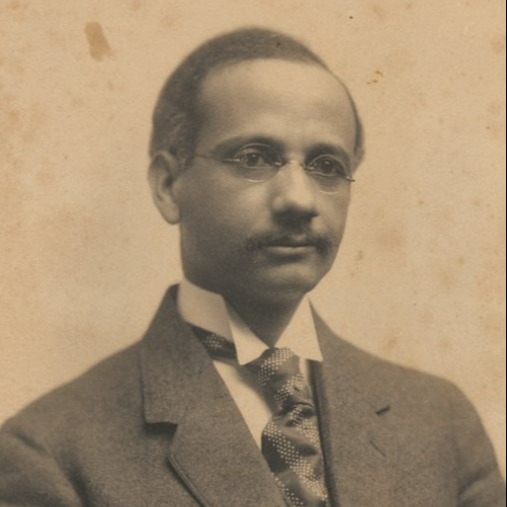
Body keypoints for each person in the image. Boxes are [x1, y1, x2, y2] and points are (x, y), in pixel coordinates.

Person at [0, 27, 504, 507]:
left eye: (327, 166)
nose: (299, 199)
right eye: (254, 157)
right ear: (168, 185)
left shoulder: (441, 424)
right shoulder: (52, 450)